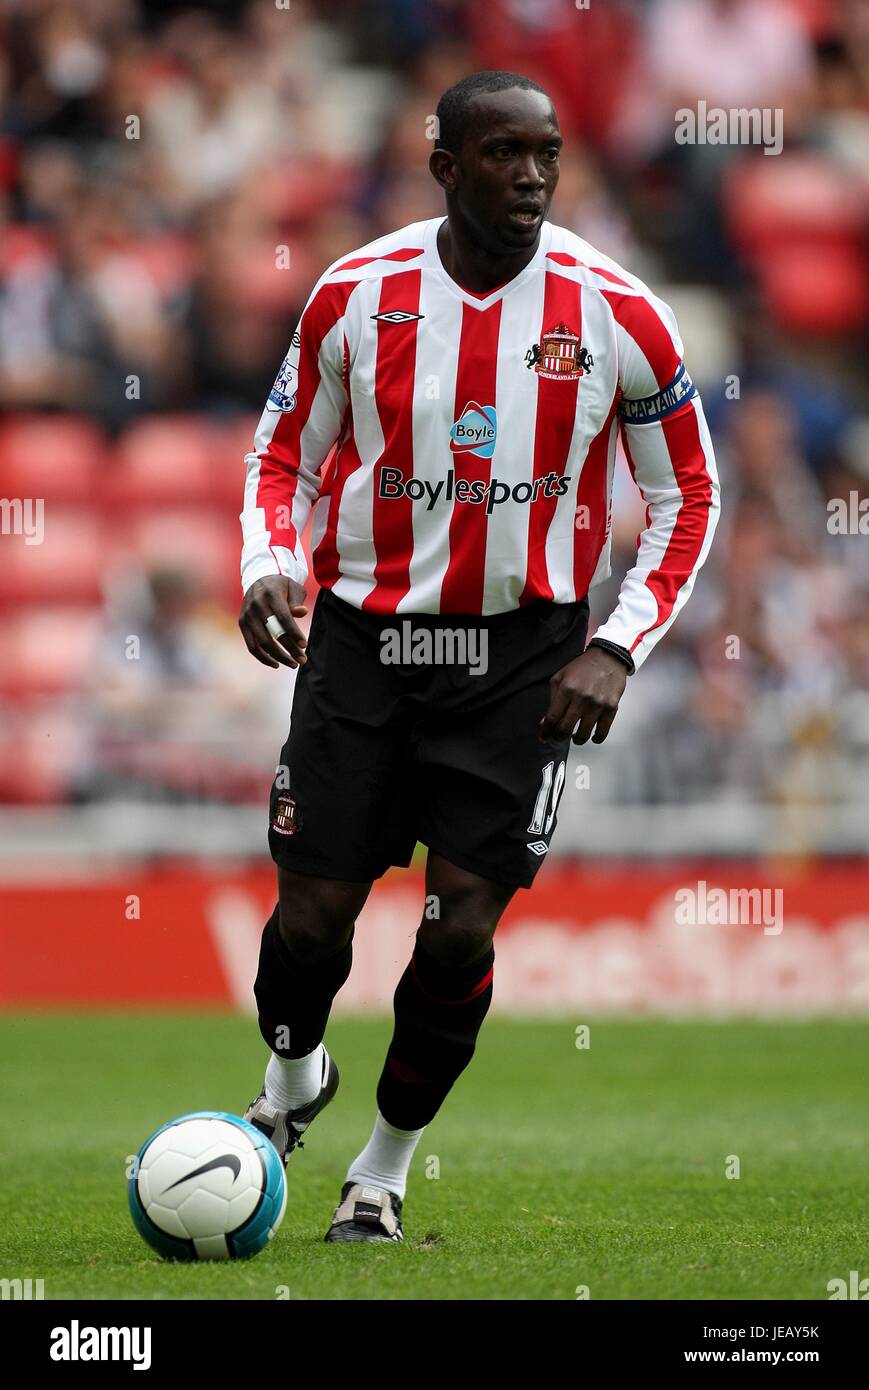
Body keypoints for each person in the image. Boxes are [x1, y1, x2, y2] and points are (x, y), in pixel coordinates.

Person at [237, 71, 719, 1243]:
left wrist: (616, 643)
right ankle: (295, 1076)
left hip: (522, 661)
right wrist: (264, 562)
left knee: (460, 926)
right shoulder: (355, 292)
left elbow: (686, 495)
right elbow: (281, 457)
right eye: (504, 154)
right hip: (362, 642)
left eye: (547, 153)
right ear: (444, 165)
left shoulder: (616, 311)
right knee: (312, 920)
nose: (533, 176)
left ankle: (381, 1174)